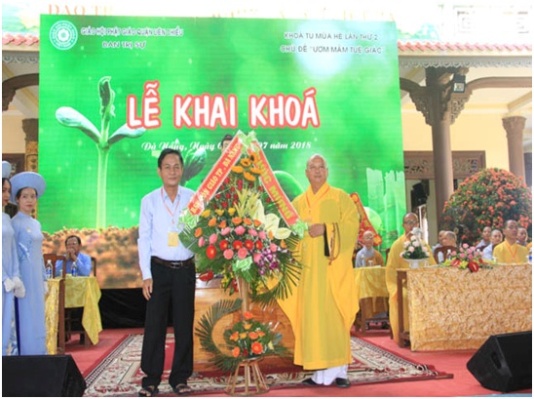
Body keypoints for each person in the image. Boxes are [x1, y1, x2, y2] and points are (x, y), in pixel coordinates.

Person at [279, 154, 360, 388]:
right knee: (313, 321)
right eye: (312, 167)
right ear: (305, 172)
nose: (316, 171)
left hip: (333, 272)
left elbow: (351, 227)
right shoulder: (297, 203)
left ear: (327, 171)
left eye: (320, 167)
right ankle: (318, 373)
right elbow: (290, 236)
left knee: (335, 319)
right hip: (307, 274)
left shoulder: (340, 198)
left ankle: (340, 370)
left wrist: (325, 229)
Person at [137, 148, 196, 397]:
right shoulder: (149, 200)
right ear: (159, 171)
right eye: (167, 167)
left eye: (176, 166)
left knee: (184, 325)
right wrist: (146, 274)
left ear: (182, 171)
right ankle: (151, 379)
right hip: (159, 270)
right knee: (155, 326)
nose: (172, 171)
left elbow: (201, 234)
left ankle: (180, 378)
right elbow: (144, 238)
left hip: (185, 270)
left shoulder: (193, 198)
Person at [10, 171, 47, 355]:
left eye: (33, 196)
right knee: (24, 318)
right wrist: (16, 278)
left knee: (37, 318)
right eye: (25, 196)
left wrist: (44, 279)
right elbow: (12, 254)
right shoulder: (14, 224)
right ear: (17, 199)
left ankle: (39, 355)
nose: (29, 200)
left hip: (36, 280)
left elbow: (39, 254)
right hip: (23, 279)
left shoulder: (36, 223)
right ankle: (25, 356)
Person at [385, 212, 436, 345]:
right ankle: (407, 332)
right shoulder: (397, 245)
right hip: (403, 284)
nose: (411, 225)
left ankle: (429, 332)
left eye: (414, 222)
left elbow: (432, 265)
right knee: (406, 296)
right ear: (403, 225)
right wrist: (395, 287)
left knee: (432, 294)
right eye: (408, 223)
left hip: (422, 284)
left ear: (418, 225)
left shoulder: (423, 245)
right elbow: (391, 270)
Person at [2, 161, 25, 355]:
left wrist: (15, 276)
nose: (7, 196)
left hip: (8, 282)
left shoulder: (6, 219)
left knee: (7, 324)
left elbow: (12, 251)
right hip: (2, 280)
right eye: (3, 191)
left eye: (8, 191)